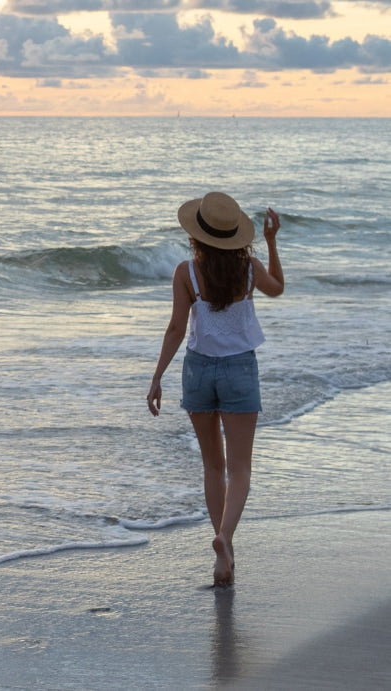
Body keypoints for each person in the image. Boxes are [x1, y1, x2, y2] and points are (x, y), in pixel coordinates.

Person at [147, 191, 284, 587]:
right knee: (240, 469)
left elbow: (175, 330)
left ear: (197, 235)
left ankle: (224, 555)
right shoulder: (249, 269)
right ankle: (225, 538)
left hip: (198, 371)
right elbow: (277, 288)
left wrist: (157, 377)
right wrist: (272, 242)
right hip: (239, 369)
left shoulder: (186, 273)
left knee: (213, 466)